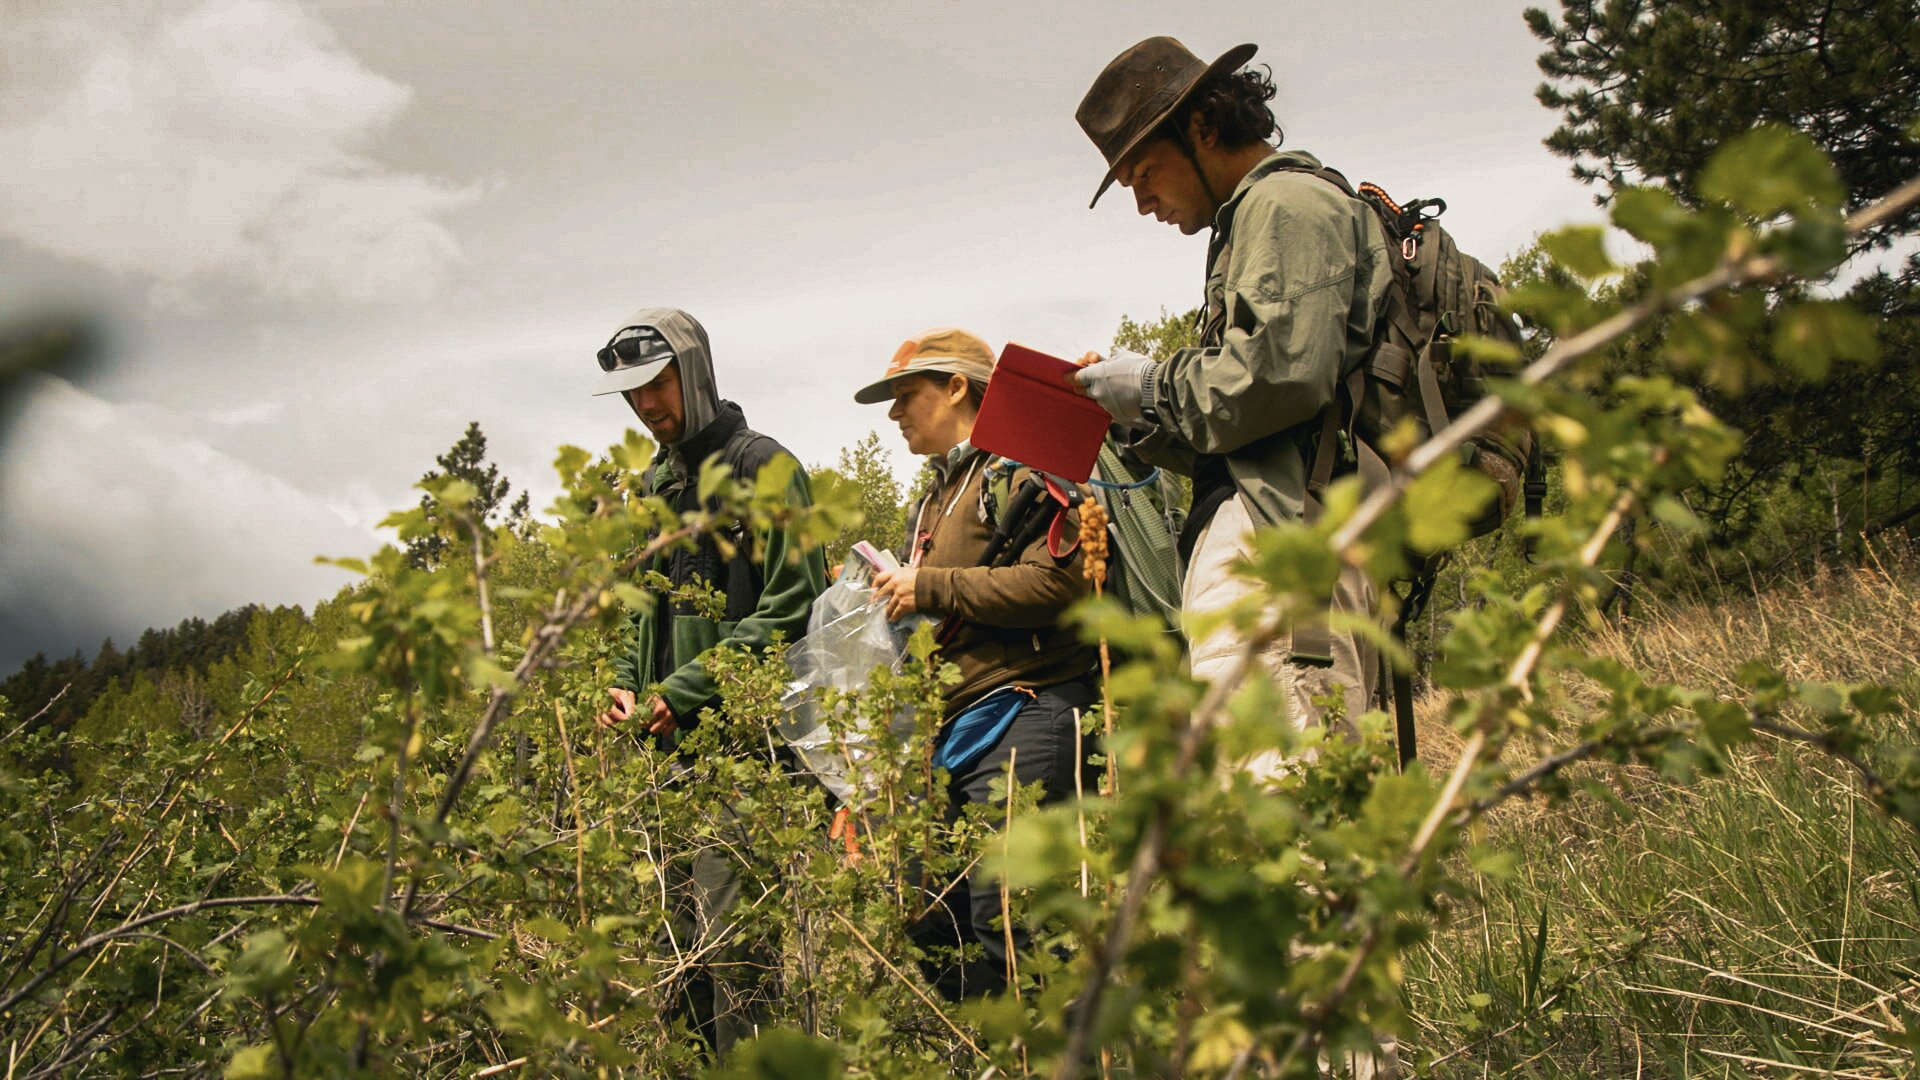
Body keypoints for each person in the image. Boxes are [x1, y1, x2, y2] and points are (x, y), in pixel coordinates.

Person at [1070, 37, 1388, 754]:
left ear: (1204, 129)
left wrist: (1149, 382)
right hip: (1276, 538)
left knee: (1279, 811)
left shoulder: (1283, 205)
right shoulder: (1255, 220)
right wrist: (1131, 417)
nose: (1144, 202)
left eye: (1143, 173)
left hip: (1278, 555)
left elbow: (1275, 378)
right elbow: (1249, 418)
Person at [589, 306, 828, 1051]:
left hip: (743, 758)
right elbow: (641, 613)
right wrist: (626, 681)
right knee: (673, 967)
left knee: (739, 963)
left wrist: (684, 691)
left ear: (692, 372)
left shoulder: (766, 468)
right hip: (663, 763)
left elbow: (796, 609)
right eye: (632, 394)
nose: (646, 406)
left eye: (656, 384)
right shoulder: (655, 483)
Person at [853, 327, 1097, 1000]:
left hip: (1030, 712)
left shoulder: (1021, 463)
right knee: (931, 921)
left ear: (957, 387)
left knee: (1013, 924)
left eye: (906, 395)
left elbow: (1061, 584)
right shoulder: (936, 495)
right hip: (954, 732)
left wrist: (928, 587)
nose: (895, 415)